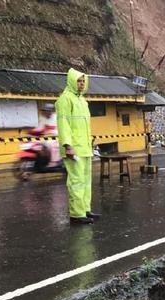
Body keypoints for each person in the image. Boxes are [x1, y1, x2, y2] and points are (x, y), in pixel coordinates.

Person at [56, 68, 99, 225]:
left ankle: (85, 209)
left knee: (86, 181)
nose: (81, 84)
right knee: (76, 181)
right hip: (73, 149)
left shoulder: (82, 100)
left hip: (85, 148)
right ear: (71, 81)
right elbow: (64, 124)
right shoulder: (65, 99)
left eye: (83, 81)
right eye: (79, 81)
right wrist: (67, 145)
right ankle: (76, 214)